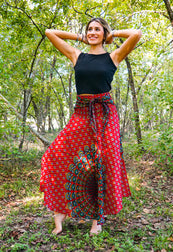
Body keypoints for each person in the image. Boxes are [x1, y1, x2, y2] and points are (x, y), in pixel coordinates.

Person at [40, 17, 142, 235]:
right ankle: (60, 214)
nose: (92, 32)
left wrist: (112, 34)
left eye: (97, 29)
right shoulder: (78, 55)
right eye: (89, 29)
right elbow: (50, 32)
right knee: (56, 155)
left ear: (104, 33)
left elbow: (136, 34)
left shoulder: (113, 57)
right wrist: (79, 37)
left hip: (105, 114)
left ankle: (98, 220)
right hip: (82, 112)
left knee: (101, 164)